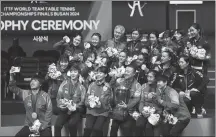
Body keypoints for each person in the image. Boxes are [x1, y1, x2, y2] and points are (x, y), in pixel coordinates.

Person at [8, 67, 52, 137]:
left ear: (40, 84)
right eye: (31, 81)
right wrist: (11, 75)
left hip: (43, 126)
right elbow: (12, 88)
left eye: (35, 81)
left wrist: (42, 127)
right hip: (29, 126)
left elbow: (49, 113)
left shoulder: (46, 96)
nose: (32, 82)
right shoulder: (25, 93)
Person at [109, 65, 141, 137]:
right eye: (125, 71)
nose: (126, 73)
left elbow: (136, 99)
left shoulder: (137, 85)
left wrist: (127, 106)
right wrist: (115, 77)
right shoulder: (120, 81)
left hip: (129, 112)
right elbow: (110, 86)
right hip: (118, 111)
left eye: (128, 72)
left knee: (126, 131)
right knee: (113, 130)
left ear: (133, 74)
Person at [54, 65, 86, 137]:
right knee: (57, 125)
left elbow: (83, 101)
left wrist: (75, 107)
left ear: (78, 74)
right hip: (65, 109)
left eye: (75, 72)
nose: (73, 74)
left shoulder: (82, 86)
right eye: (71, 72)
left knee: (71, 125)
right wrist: (61, 104)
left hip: (76, 111)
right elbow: (58, 97)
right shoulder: (64, 83)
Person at [84, 66, 112, 137]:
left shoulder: (108, 87)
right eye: (97, 73)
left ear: (105, 75)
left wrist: (100, 104)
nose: (98, 74)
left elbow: (109, 101)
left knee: (97, 129)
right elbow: (87, 97)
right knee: (87, 128)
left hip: (102, 112)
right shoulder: (91, 85)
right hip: (91, 110)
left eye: (101, 73)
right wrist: (88, 103)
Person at [136, 70, 162, 136]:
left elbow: (161, 105)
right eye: (148, 77)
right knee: (139, 124)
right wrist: (142, 111)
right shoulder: (144, 86)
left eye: (151, 77)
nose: (149, 79)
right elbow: (141, 101)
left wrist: (155, 98)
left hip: (156, 113)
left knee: (148, 127)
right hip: (145, 111)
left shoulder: (160, 88)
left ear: (155, 78)